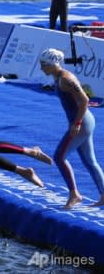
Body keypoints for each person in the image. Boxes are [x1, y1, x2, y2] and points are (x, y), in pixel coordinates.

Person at [39, 48, 104, 209]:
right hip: (81, 121)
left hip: (82, 123)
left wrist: (77, 123)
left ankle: (74, 194)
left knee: (59, 157)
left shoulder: (66, 79)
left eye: (44, 65)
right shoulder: (59, 76)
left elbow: (85, 100)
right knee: (89, 161)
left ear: (53, 64)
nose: (42, 68)